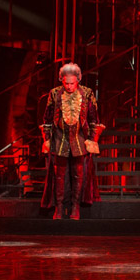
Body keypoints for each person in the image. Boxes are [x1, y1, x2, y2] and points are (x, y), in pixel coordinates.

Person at [40, 63, 105, 220]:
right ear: (62, 80)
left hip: (79, 139)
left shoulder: (87, 93)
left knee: (78, 175)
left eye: (72, 83)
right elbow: (47, 118)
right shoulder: (55, 93)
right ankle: (59, 208)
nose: (69, 86)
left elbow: (93, 118)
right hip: (59, 138)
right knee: (59, 176)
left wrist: (92, 139)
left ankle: (75, 207)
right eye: (66, 83)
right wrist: (47, 139)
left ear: (78, 80)